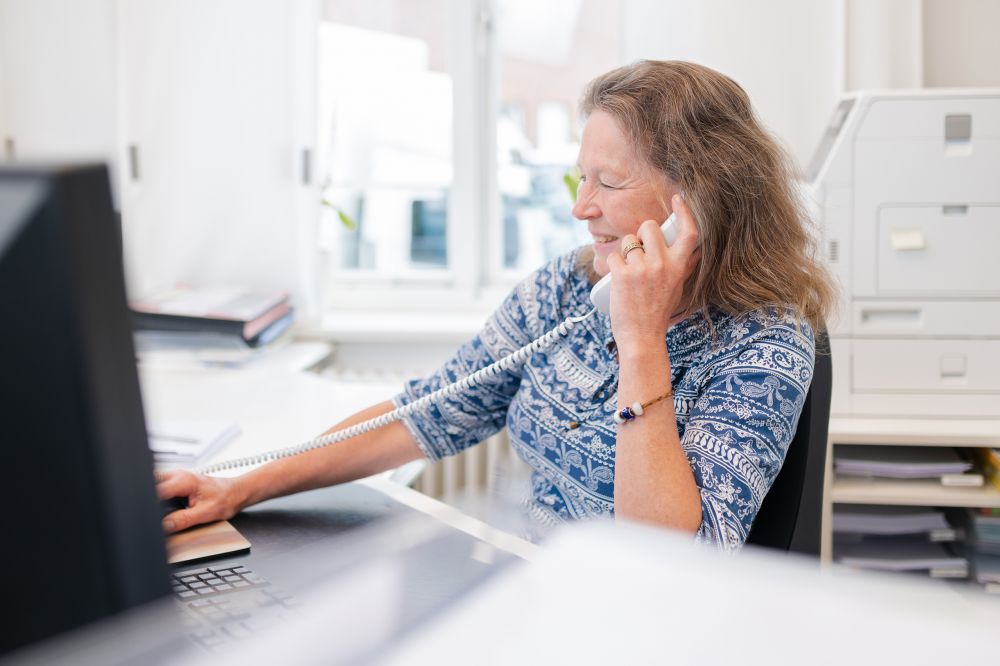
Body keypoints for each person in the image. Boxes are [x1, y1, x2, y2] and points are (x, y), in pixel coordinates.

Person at [157, 60, 835, 551]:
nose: (580, 207)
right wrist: (240, 487)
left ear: (696, 203)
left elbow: (669, 562)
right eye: (580, 177)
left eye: (610, 182)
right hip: (535, 596)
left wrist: (641, 338)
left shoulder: (763, 345)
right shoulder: (565, 290)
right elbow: (424, 415)